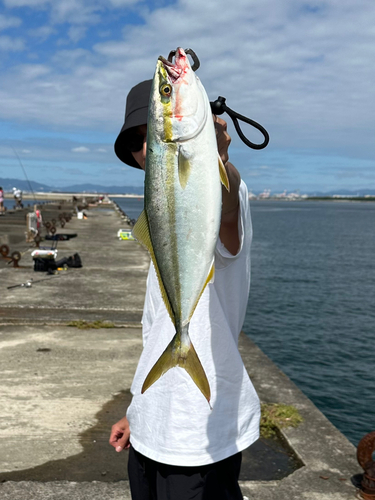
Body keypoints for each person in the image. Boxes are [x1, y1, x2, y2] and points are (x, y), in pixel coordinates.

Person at [110, 79, 260, 500]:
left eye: (148, 133)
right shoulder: (157, 216)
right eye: (136, 141)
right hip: (150, 429)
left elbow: (227, 213)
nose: (144, 147)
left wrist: (218, 160)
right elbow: (154, 327)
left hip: (199, 437)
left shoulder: (219, 191)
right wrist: (136, 410)